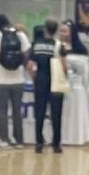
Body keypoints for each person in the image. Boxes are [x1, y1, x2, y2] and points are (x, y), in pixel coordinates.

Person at [0, 13, 28, 149]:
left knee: (2, 111)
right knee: (17, 111)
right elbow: (26, 52)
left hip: (1, 79)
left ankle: (5, 140)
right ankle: (19, 141)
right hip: (18, 79)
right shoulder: (20, 34)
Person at [29, 18, 63, 154]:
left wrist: (34, 77)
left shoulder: (36, 45)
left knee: (40, 112)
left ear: (45, 29)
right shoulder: (58, 45)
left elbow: (30, 65)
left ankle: (39, 143)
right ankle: (56, 144)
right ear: (56, 30)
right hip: (55, 80)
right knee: (56, 113)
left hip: (41, 79)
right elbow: (64, 65)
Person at [61, 26, 89, 149]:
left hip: (77, 85)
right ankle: (63, 136)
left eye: (65, 31)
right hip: (61, 84)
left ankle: (77, 136)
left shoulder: (81, 49)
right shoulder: (58, 47)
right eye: (60, 30)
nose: (62, 33)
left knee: (76, 111)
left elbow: (85, 69)